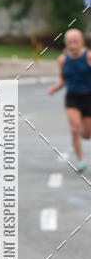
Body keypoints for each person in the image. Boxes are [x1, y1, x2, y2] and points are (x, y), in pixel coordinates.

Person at [48, 28, 91, 173]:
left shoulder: (89, 56)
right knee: (74, 128)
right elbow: (62, 79)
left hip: (88, 97)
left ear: (81, 42)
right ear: (65, 43)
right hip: (72, 98)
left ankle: (82, 132)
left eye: (75, 42)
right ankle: (80, 161)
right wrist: (55, 87)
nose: (73, 45)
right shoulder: (62, 59)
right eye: (70, 42)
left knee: (87, 134)